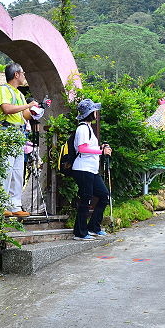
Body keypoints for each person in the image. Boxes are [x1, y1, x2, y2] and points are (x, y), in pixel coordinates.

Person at [0, 63, 39, 218]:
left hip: (18, 132)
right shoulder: (3, 89)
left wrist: (35, 112)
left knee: (17, 171)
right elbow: (7, 109)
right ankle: (1, 204)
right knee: (5, 168)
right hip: (6, 131)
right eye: (23, 73)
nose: (24, 75)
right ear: (16, 75)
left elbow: (24, 115)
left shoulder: (20, 94)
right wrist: (28, 105)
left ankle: (15, 205)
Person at [70, 98, 113, 240]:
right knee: (86, 199)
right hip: (83, 169)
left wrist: (101, 148)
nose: (96, 113)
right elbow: (82, 148)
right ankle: (80, 232)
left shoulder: (88, 128)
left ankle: (93, 227)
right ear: (90, 113)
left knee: (104, 196)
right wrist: (101, 152)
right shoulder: (82, 128)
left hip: (91, 170)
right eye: (94, 110)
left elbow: (89, 147)